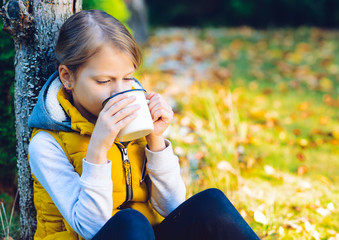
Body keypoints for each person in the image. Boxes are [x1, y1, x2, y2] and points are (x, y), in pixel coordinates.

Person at [28, 10, 260, 240]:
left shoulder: (136, 117)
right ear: (67, 77)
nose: (120, 92)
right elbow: (90, 228)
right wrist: (97, 150)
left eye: (127, 78)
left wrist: (156, 140)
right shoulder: (46, 143)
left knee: (211, 203)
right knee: (132, 221)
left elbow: (172, 206)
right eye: (104, 81)